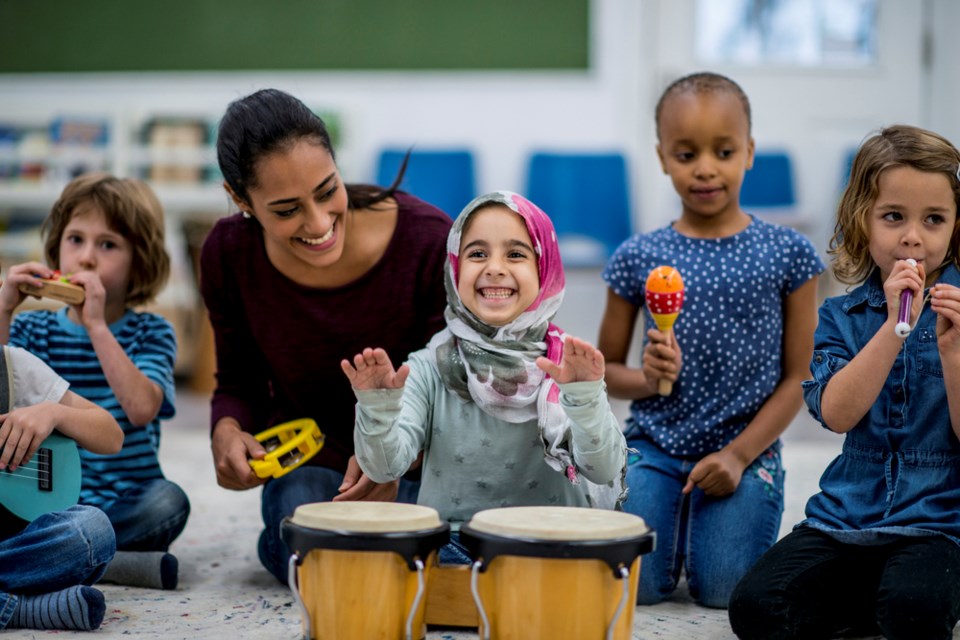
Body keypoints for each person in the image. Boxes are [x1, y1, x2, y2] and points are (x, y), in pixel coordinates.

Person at [201, 88, 452, 584]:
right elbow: (238, 381)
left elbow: (455, 391)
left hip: (420, 458)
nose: (318, 224)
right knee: (305, 531)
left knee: (439, 539)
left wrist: (394, 458)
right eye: (286, 209)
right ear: (239, 198)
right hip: (313, 461)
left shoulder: (428, 240)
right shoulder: (229, 255)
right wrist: (226, 430)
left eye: (326, 190)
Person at [597, 72, 825, 608]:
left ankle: (710, 519)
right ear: (661, 157)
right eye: (685, 153)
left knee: (723, 593)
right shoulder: (636, 256)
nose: (704, 168)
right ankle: (670, 524)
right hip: (654, 447)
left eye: (723, 151)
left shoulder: (788, 254)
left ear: (749, 151)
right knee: (639, 590)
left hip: (746, 448)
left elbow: (802, 376)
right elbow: (605, 369)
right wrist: (649, 377)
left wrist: (739, 456)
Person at [728, 125, 960, 640]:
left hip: (939, 524)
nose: (913, 237)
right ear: (863, 221)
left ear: (955, 227)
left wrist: (952, 352)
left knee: (914, 613)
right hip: (845, 520)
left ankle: (893, 594)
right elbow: (836, 414)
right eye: (893, 216)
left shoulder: (958, 317)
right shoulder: (839, 316)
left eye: (934, 220)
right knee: (755, 607)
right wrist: (892, 332)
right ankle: (878, 593)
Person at [342, 191, 628, 562]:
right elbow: (385, 466)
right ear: (455, 269)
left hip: (554, 542)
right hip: (454, 542)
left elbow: (602, 468)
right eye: (477, 253)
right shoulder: (427, 366)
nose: (494, 267)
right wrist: (377, 409)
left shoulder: (571, 368)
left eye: (515, 254)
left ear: (545, 270)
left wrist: (585, 398)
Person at [0, 173, 187, 590]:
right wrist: (5, 308)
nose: (86, 258)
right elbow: (0, 384)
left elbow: (141, 410)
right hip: (42, 499)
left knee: (169, 502)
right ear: (56, 246)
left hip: (126, 499)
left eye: (107, 245)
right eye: (75, 239)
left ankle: (66, 552)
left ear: (139, 259)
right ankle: (106, 559)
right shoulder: (33, 329)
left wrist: (98, 327)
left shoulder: (152, 332)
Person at [0, 342, 124, 631]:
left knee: (91, 530)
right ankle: (21, 610)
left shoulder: (11, 365)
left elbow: (112, 436)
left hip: (13, 541)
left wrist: (53, 413)